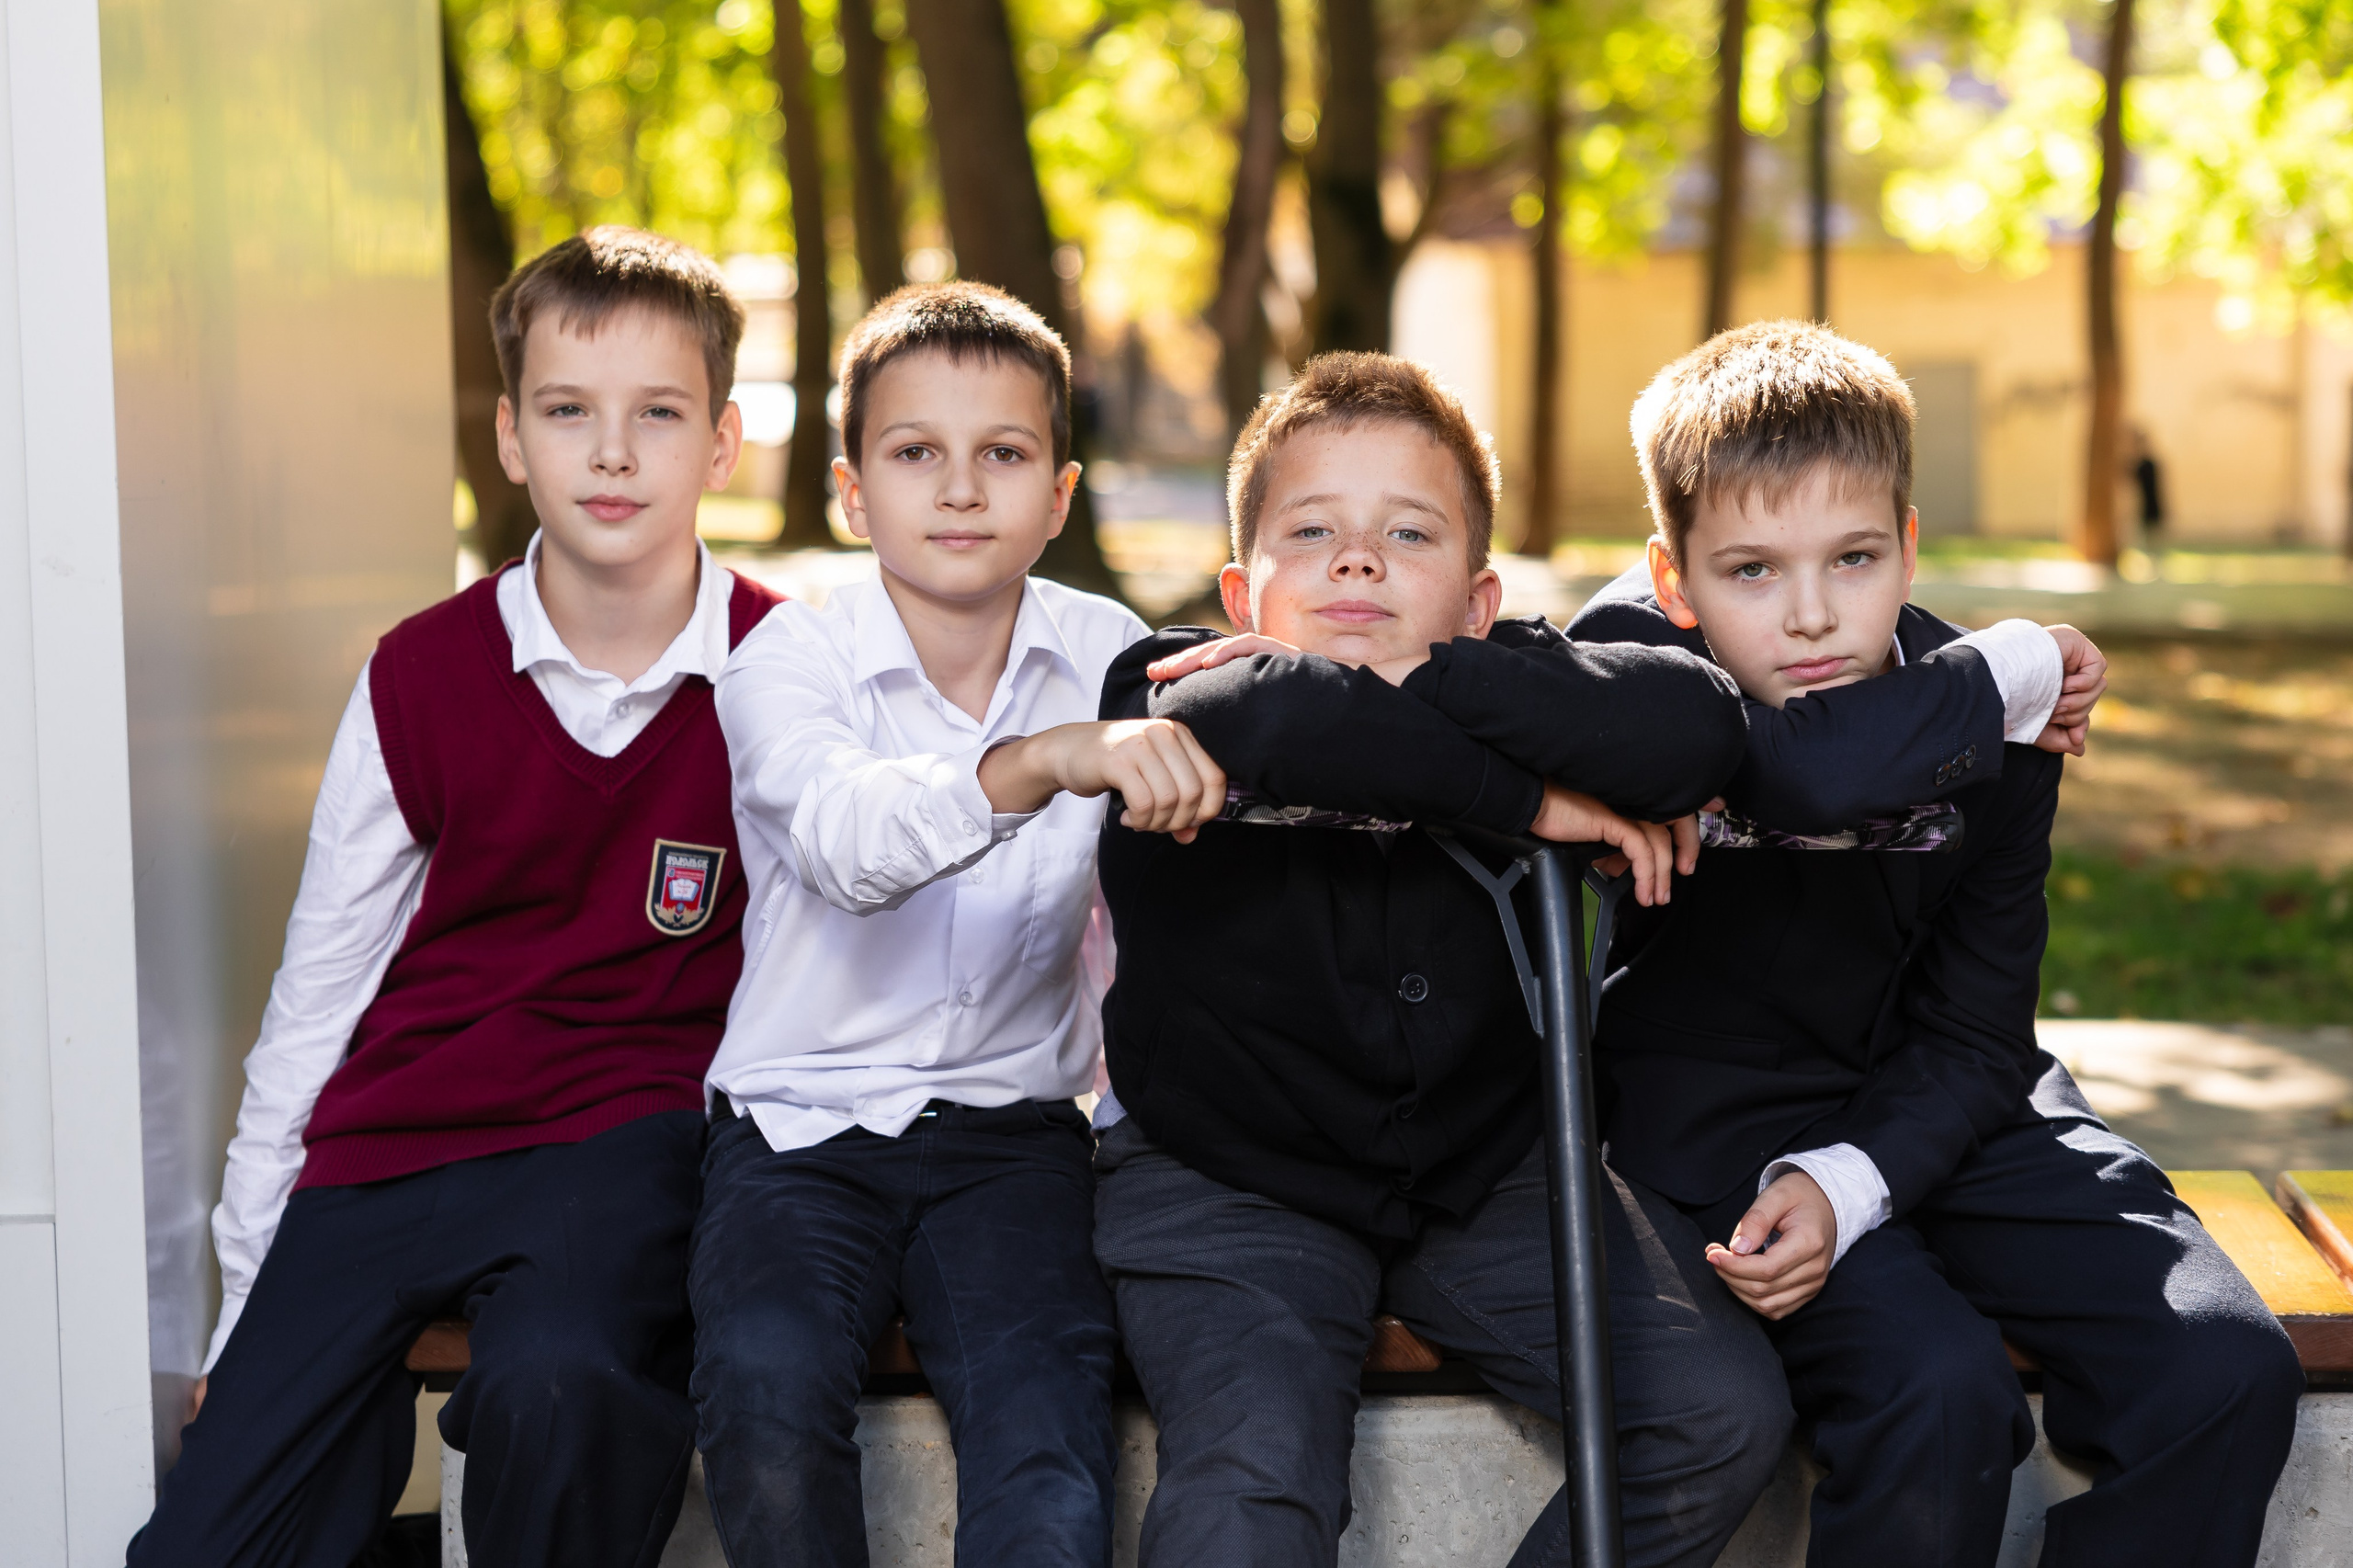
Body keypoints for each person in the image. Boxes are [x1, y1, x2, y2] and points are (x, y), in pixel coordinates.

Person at [1569, 319, 2301, 1567]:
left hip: (1961, 1100)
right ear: (1673, 578)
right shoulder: (1635, 670)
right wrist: (2014, 662)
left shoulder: (1987, 719)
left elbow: (1976, 1026)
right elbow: (1802, 774)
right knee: (1938, 1390)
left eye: (1854, 557)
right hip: (1726, 1126)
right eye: (1752, 570)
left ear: (1909, 546)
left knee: (2224, 1361)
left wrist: (1858, 1179)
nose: (1809, 615)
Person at [131, 227, 780, 1567]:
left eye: (656, 415)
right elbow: (320, 987)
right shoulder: (420, 673)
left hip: (620, 1141)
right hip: (394, 1145)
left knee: (568, 1390)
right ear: (507, 436)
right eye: (567, 412)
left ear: (720, 444)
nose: (611, 454)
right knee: (210, 1537)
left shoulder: (790, 669)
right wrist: (243, 1305)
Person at [1090, 351, 1795, 1568]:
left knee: (1718, 1409)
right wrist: (1527, 798)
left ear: (1481, 603)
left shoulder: (1505, 674)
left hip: (1485, 1172)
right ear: (1240, 591)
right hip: (1226, 1177)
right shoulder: (1170, 691)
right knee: (1252, 1485)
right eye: (1312, 530)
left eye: (1407, 534)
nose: (1358, 559)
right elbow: (1265, 716)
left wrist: (1439, 677)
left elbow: (1697, 721)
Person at [690, 282, 1225, 1568]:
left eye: (1006, 454)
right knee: (763, 1393)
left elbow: (1290, 716)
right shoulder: (784, 659)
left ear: (1059, 491)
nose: (962, 487)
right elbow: (847, 842)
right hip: (796, 1126)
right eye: (916, 452)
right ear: (851, 491)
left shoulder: (1112, 652)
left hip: (1015, 1139)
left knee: (1047, 1444)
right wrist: (1039, 762)